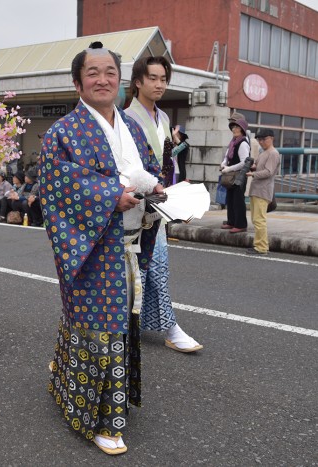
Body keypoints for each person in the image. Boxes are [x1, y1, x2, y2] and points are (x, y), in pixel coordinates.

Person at [41, 42, 164, 456]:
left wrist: (155, 188)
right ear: (78, 82)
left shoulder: (128, 127)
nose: (102, 79)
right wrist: (112, 194)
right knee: (102, 326)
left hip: (128, 241)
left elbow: (145, 167)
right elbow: (58, 183)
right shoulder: (63, 132)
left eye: (110, 71)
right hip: (93, 246)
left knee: (116, 322)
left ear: (120, 79)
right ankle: (102, 419)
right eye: (92, 72)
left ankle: (68, 382)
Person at [124, 55, 202, 352]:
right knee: (137, 270)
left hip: (160, 203)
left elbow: (167, 162)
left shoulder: (164, 118)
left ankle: (162, 325)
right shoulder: (126, 118)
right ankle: (152, 326)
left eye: (163, 79)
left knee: (156, 267)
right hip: (136, 204)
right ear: (138, 82)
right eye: (153, 78)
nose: (159, 84)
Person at [246, 128, 281, 255]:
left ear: (271, 138)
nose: (261, 142)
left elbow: (268, 172)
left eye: (264, 139)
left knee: (259, 219)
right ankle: (259, 245)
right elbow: (261, 167)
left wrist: (253, 174)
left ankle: (261, 247)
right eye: (259, 139)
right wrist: (254, 167)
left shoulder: (273, 153)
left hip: (263, 190)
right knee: (256, 219)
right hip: (257, 189)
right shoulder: (264, 152)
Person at [221, 117, 250, 234]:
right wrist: (223, 164)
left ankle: (241, 224)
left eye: (237, 127)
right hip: (231, 175)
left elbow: (244, 162)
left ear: (242, 129)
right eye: (233, 127)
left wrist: (229, 168)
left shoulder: (243, 143)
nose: (234, 129)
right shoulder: (233, 142)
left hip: (239, 176)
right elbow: (226, 157)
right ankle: (231, 221)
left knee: (238, 200)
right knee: (231, 199)